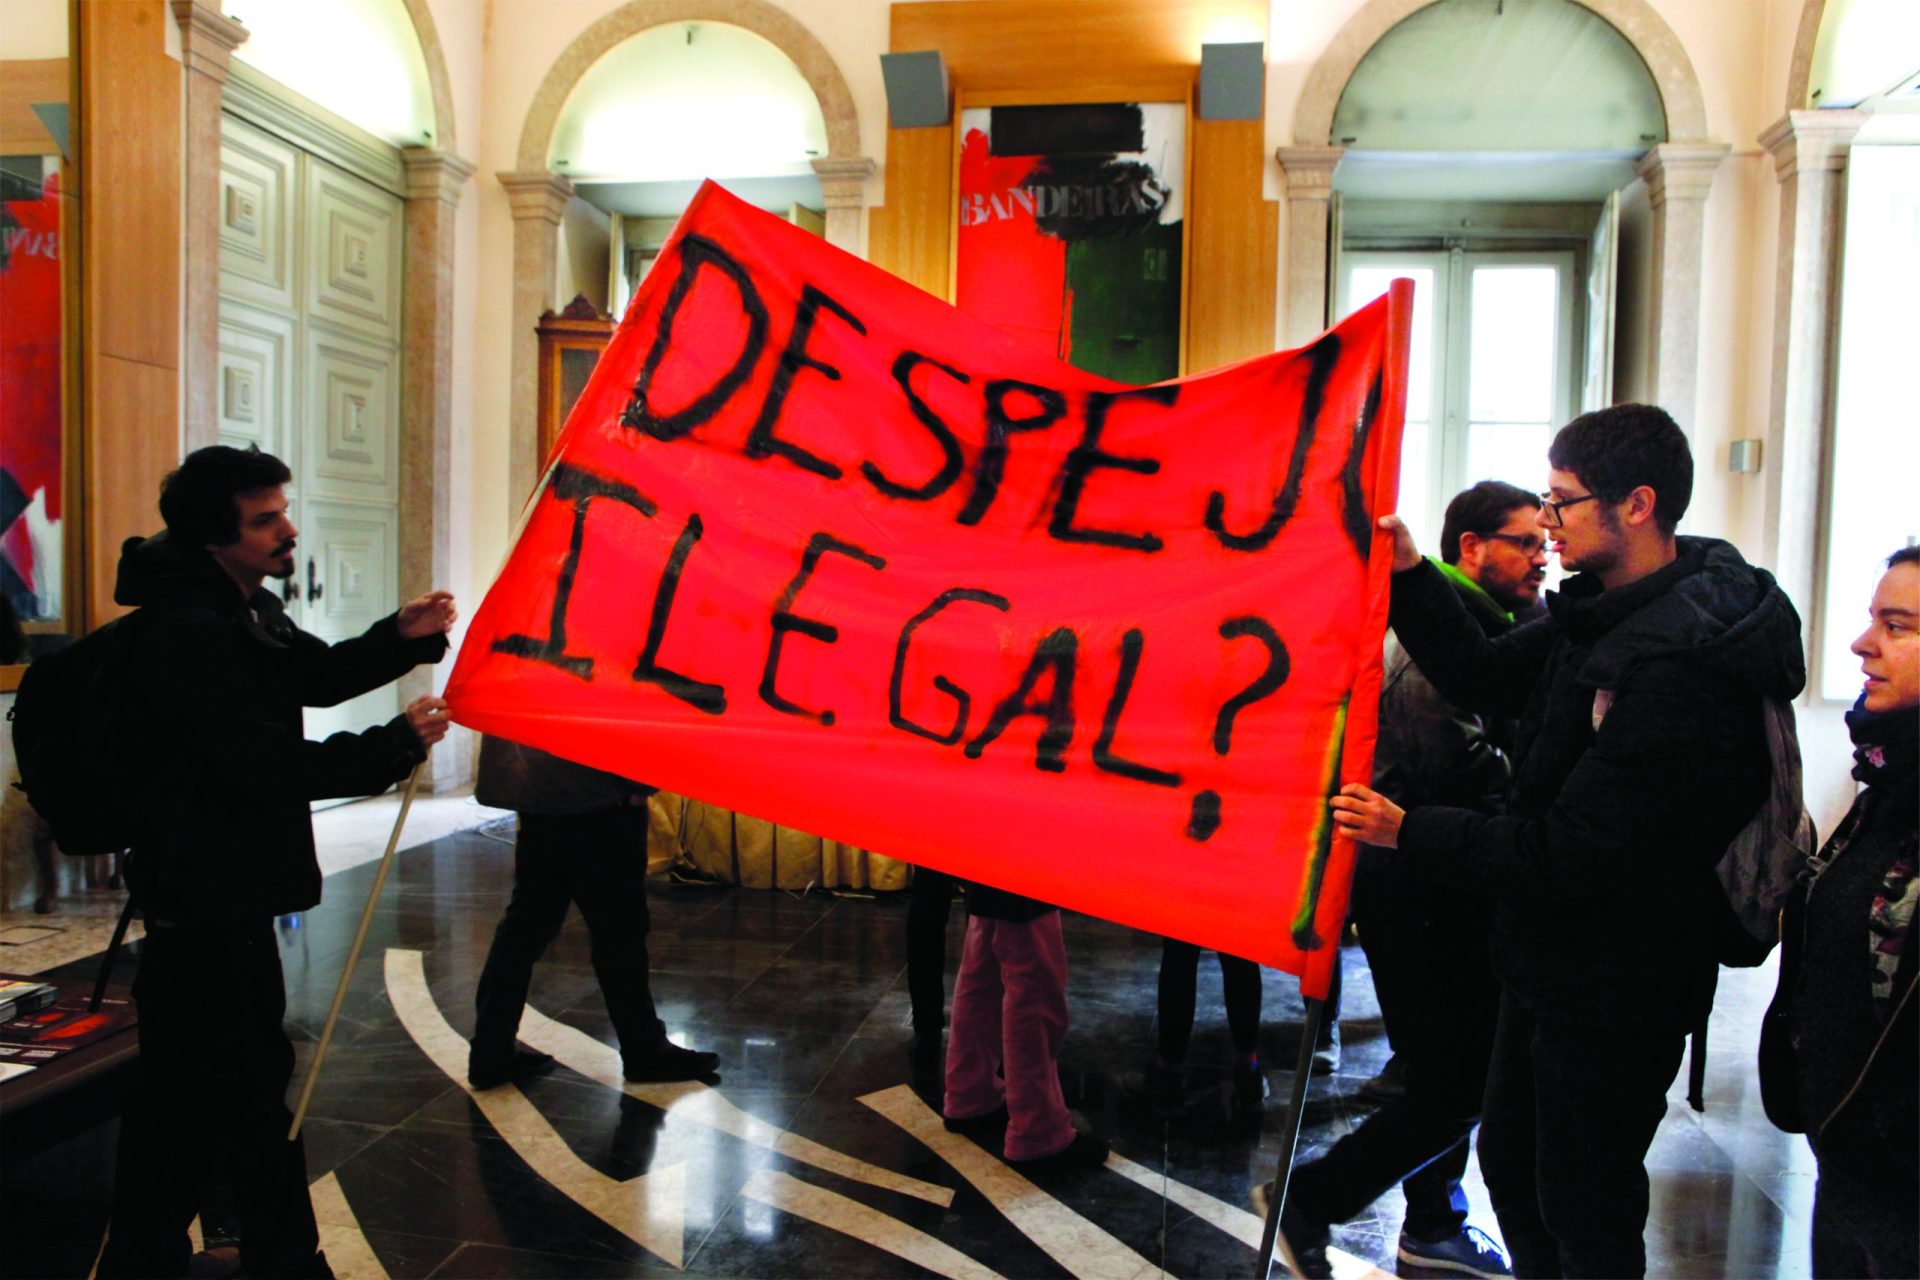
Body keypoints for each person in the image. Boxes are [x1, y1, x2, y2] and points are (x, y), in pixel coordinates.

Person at [1329, 405, 1804, 1277]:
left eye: (1561, 503)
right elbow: (1482, 673)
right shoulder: (1608, 612)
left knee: (1584, 1198)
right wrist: (1405, 572)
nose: (1547, 524)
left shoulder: (1678, 665)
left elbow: (1574, 850)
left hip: (1621, 980)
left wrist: (1412, 831)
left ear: (1637, 505)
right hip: (1547, 961)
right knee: (1516, 1164)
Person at [98, 445, 457, 1280]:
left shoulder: (234, 605)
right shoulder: (186, 632)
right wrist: (391, 747)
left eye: (282, 510)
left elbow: (311, 675)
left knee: (204, 1098)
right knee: (232, 1098)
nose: (287, 529)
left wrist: (395, 640)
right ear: (213, 534)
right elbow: (261, 765)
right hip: (202, 898)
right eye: (265, 519)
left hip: (228, 896)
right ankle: (272, 1257)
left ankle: (181, 1253)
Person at [1269, 481, 1545, 1278]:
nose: (1539, 557)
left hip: (1442, 875)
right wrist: (1531, 790)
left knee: (1451, 1071)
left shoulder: (1488, 624)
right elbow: (1446, 765)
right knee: (1456, 1073)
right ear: (1469, 549)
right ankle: (1373, 1211)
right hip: (1420, 883)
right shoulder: (1431, 645)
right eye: (1523, 542)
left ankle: (1424, 1222)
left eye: (1542, 539)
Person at [1766, 545, 1917, 1278]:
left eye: (1899, 626)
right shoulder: (1889, 779)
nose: (1863, 643)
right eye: (1872, 620)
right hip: (1853, 1157)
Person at [470, 734, 718, 1088]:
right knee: (620, 931)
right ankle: (644, 1050)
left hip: (538, 792)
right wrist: (641, 782)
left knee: (526, 927)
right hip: (600, 792)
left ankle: (490, 1052)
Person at [942, 883, 1107, 1171]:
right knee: (1033, 983)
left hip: (986, 848)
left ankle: (969, 1093)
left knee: (982, 959)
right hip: (1025, 854)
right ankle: (1037, 1130)